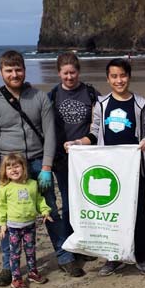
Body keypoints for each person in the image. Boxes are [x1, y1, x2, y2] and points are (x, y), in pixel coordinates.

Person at [0, 50, 85, 287]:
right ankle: (8, 266)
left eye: (18, 69)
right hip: (11, 168)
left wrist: (46, 167)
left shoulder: (39, 98)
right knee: (9, 217)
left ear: (24, 70)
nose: (14, 74)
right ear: (1, 72)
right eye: (9, 70)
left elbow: (50, 135)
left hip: (38, 162)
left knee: (51, 212)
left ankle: (64, 255)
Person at [64, 58, 145, 276]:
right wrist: (77, 143)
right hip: (110, 169)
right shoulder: (101, 104)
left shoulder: (141, 104)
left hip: (136, 170)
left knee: (138, 214)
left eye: (123, 75)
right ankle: (113, 257)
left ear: (129, 76)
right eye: (114, 76)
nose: (119, 80)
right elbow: (94, 132)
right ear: (108, 79)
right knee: (112, 213)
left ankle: (142, 256)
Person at [49, 52, 99, 236]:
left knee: (89, 199)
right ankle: (73, 242)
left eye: (73, 72)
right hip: (62, 160)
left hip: (88, 157)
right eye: (65, 73)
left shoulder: (91, 93)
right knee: (69, 202)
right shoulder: (52, 96)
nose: (69, 77)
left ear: (78, 71)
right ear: (59, 73)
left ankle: (90, 237)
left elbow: (102, 122)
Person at [0, 153, 52, 288]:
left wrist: (45, 211)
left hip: (30, 225)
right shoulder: (4, 188)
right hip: (13, 227)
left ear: (23, 167)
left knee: (30, 250)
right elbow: (1, 206)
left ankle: (33, 272)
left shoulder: (32, 184)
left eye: (16, 166)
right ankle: (16, 278)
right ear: (5, 171)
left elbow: (39, 200)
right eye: (9, 168)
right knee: (14, 253)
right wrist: (2, 224)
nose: (13, 170)